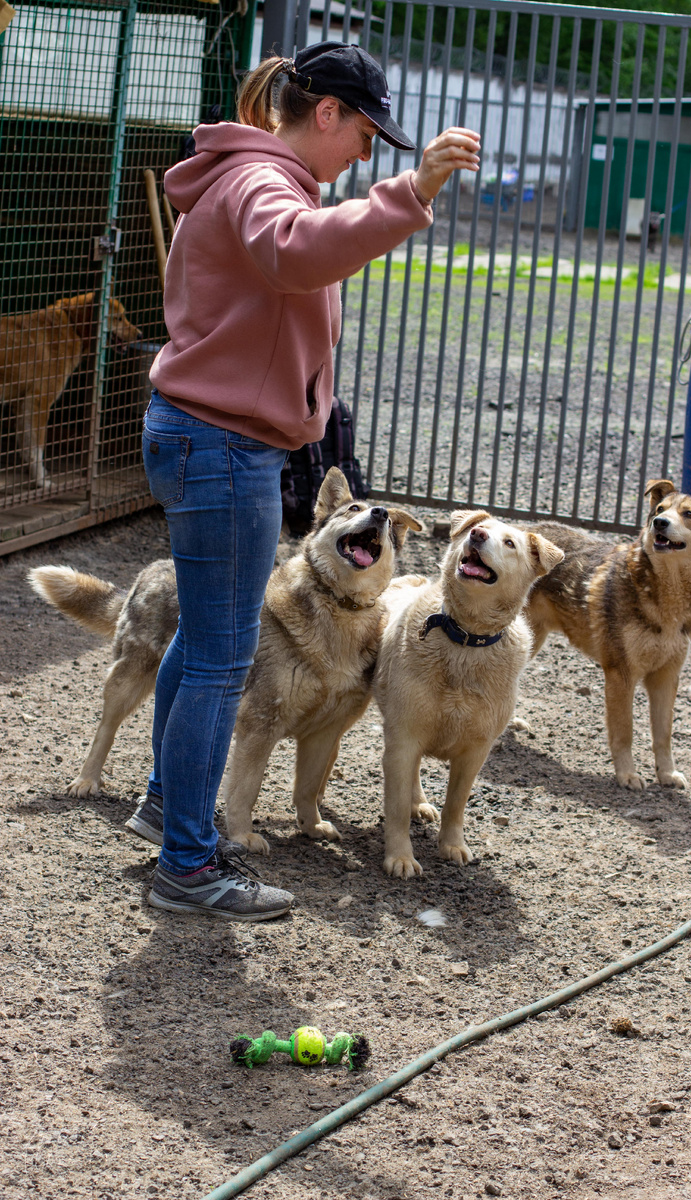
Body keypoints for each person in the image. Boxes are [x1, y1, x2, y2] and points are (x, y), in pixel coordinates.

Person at [125, 41, 480, 921]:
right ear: (325, 113)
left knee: (201, 644)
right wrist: (412, 193)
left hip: (205, 436)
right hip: (221, 445)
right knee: (220, 656)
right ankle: (189, 865)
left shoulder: (257, 175)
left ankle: (168, 809)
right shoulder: (262, 186)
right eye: (364, 133)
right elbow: (295, 253)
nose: (367, 154)